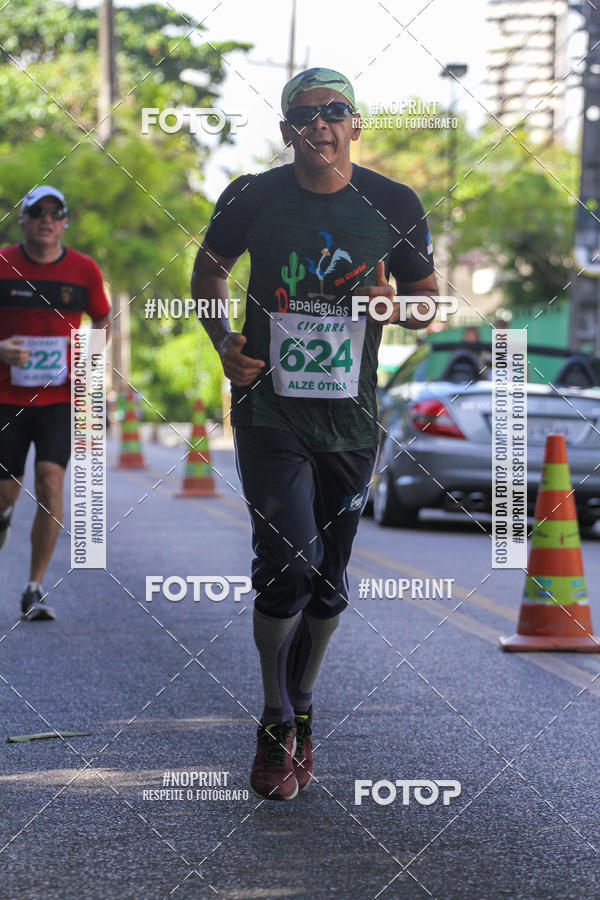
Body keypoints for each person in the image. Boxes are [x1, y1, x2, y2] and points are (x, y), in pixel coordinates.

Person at [192, 68, 438, 800]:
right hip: (270, 413)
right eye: (305, 115)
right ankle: (273, 717)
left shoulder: (394, 202)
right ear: (286, 130)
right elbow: (206, 275)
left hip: (351, 421)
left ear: (355, 124)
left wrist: (397, 308)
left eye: (334, 112)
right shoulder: (251, 196)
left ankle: (305, 705)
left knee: (328, 587)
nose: (320, 124)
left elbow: (430, 305)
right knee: (288, 566)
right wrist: (222, 342)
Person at [0, 185, 111, 620]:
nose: (47, 219)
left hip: (62, 396)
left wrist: (90, 360)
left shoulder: (83, 270)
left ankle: (34, 588)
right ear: (23, 219)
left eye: (55, 212)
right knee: (6, 492)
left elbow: (102, 316)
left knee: (50, 481)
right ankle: (6, 512)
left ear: (64, 222)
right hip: (6, 397)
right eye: (37, 212)